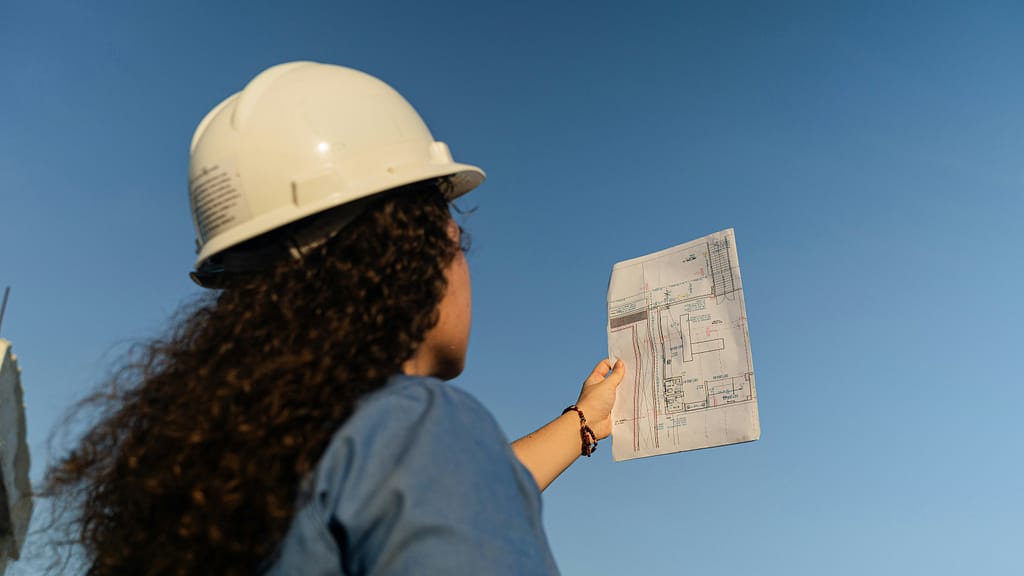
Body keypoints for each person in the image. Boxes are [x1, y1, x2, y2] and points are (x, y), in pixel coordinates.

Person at [44, 61, 625, 575]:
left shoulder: (217, 462)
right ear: (413, 250)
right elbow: (425, 486)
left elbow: (435, 496)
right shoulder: (416, 427)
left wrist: (582, 423)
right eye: (456, 236)